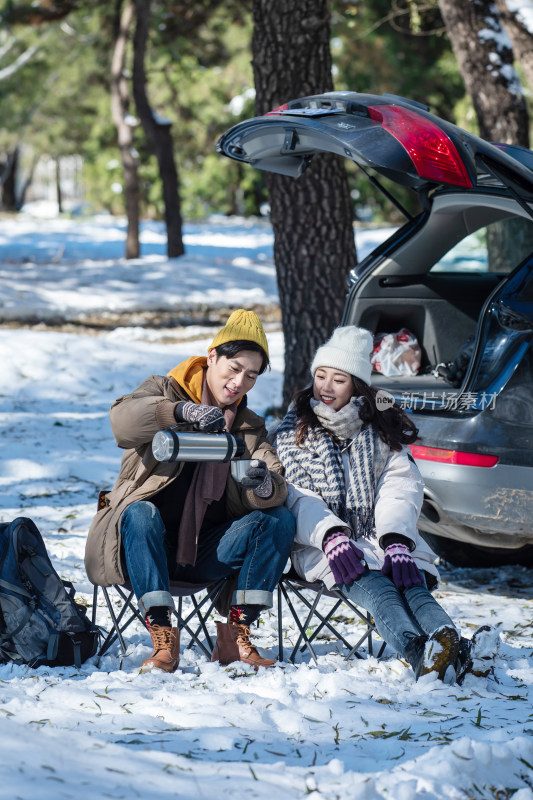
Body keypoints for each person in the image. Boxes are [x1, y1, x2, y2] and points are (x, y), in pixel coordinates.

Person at [274, 326, 500, 682]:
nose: (326, 387)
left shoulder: (379, 432)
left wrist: (395, 540)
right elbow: (296, 495)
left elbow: (400, 487)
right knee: (381, 592)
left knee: (413, 587)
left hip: (382, 536)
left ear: (357, 387)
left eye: (339, 379)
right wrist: (332, 535)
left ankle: (455, 648)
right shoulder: (292, 433)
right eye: (320, 376)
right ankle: (420, 654)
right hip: (320, 546)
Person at [85, 309, 295, 674]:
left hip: (206, 552)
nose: (239, 382)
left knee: (276, 520)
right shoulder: (164, 389)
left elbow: (274, 477)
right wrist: (181, 412)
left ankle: (237, 634)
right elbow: (123, 422)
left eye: (251, 376)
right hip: (144, 547)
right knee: (140, 512)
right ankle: (163, 637)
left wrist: (262, 484)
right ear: (211, 356)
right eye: (234, 368)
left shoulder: (247, 426)